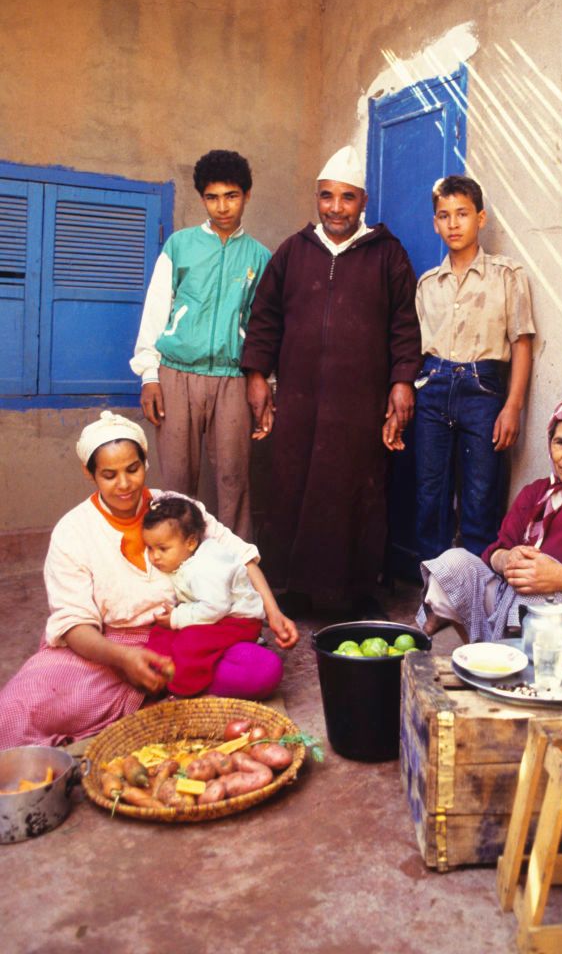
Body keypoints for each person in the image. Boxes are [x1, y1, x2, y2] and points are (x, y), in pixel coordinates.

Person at [0, 412, 292, 750]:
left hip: (186, 636)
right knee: (16, 711)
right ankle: (167, 695)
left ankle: (167, 689)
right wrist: (124, 659)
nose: (124, 484)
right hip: (106, 649)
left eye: (132, 469)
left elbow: (238, 555)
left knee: (262, 671)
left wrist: (273, 612)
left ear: (145, 463)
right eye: (109, 475)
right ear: (89, 473)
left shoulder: (175, 510)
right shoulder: (74, 531)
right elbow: (74, 624)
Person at [241, 145, 422, 617]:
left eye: (346, 198)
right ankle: (293, 590)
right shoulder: (292, 251)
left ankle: (354, 594)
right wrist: (257, 374)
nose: (335, 208)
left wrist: (402, 381)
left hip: (358, 403)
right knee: (291, 487)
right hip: (298, 400)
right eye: (326, 197)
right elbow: (264, 318)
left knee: (354, 491)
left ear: (362, 202)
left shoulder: (388, 254)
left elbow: (405, 325)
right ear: (316, 198)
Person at [417, 394, 562, 644]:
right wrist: (507, 559)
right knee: (455, 562)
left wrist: (560, 577)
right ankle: (485, 648)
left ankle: (518, 660)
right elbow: (496, 549)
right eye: (561, 443)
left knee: (537, 592)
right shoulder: (537, 492)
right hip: (521, 602)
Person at [130, 149, 270, 540]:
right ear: (202, 198)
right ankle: (175, 572)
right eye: (212, 197)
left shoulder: (260, 258)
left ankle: (235, 575)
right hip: (176, 374)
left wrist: (263, 386)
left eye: (231, 195)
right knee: (177, 483)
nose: (222, 206)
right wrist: (149, 376)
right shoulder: (180, 245)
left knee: (234, 481)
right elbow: (156, 311)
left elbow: (263, 329)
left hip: (232, 379)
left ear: (246, 195)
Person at [395, 174, 535, 559]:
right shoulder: (427, 284)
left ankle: (476, 598)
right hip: (434, 387)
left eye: (462, 214)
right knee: (430, 495)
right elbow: (415, 349)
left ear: (481, 218)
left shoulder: (507, 276)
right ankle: (434, 597)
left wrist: (513, 406)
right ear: (435, 223)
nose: (453, 224)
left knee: (480, 493)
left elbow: (521, 342)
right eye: (444, 215)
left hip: (484, 391)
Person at [143, 496, 298, 697]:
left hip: (237, 621)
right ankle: (159, 674)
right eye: (149, 548)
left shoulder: (205, 567)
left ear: (190, 542)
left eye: (162, 549)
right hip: (213, 614)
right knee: (161, 634)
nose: (154, 556)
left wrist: (176, 617)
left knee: (190, 643)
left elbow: (215, 608)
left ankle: (182, 687)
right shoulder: (185, 557)